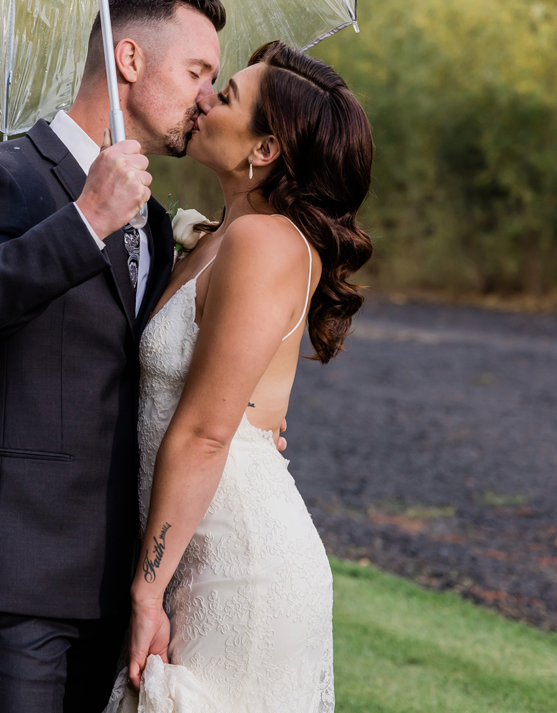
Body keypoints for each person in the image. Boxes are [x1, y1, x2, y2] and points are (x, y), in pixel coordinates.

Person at [0, 0, 227, 713]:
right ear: (129, 58)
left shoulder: (150, 219)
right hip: (6, 571)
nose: (207, 97)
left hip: (113, 581)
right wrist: (83, 221)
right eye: (197, 73)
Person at [109, 40, 374, 712]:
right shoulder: (217, 237)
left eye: (224, 95)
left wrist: (145, 590)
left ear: (264, 151)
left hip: (238, 570)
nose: (203, 98)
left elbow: (204, 432)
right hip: (187, 557)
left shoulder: (265, 242)